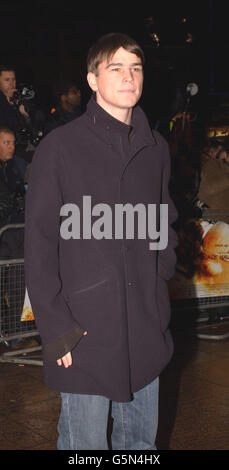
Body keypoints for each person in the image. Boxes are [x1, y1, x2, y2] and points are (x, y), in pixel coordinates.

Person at [24, 33, 178, 450]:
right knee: (84, 447)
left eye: (136, 68)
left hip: (145, 326)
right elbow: (39, 245)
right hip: (84, 332)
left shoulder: (156, 148)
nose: (128, 77)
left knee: (140, 449)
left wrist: (159, 277)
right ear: (92, 79)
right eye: (116, 68)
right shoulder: (60, 147)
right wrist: (57, 329)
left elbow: (163, 218)